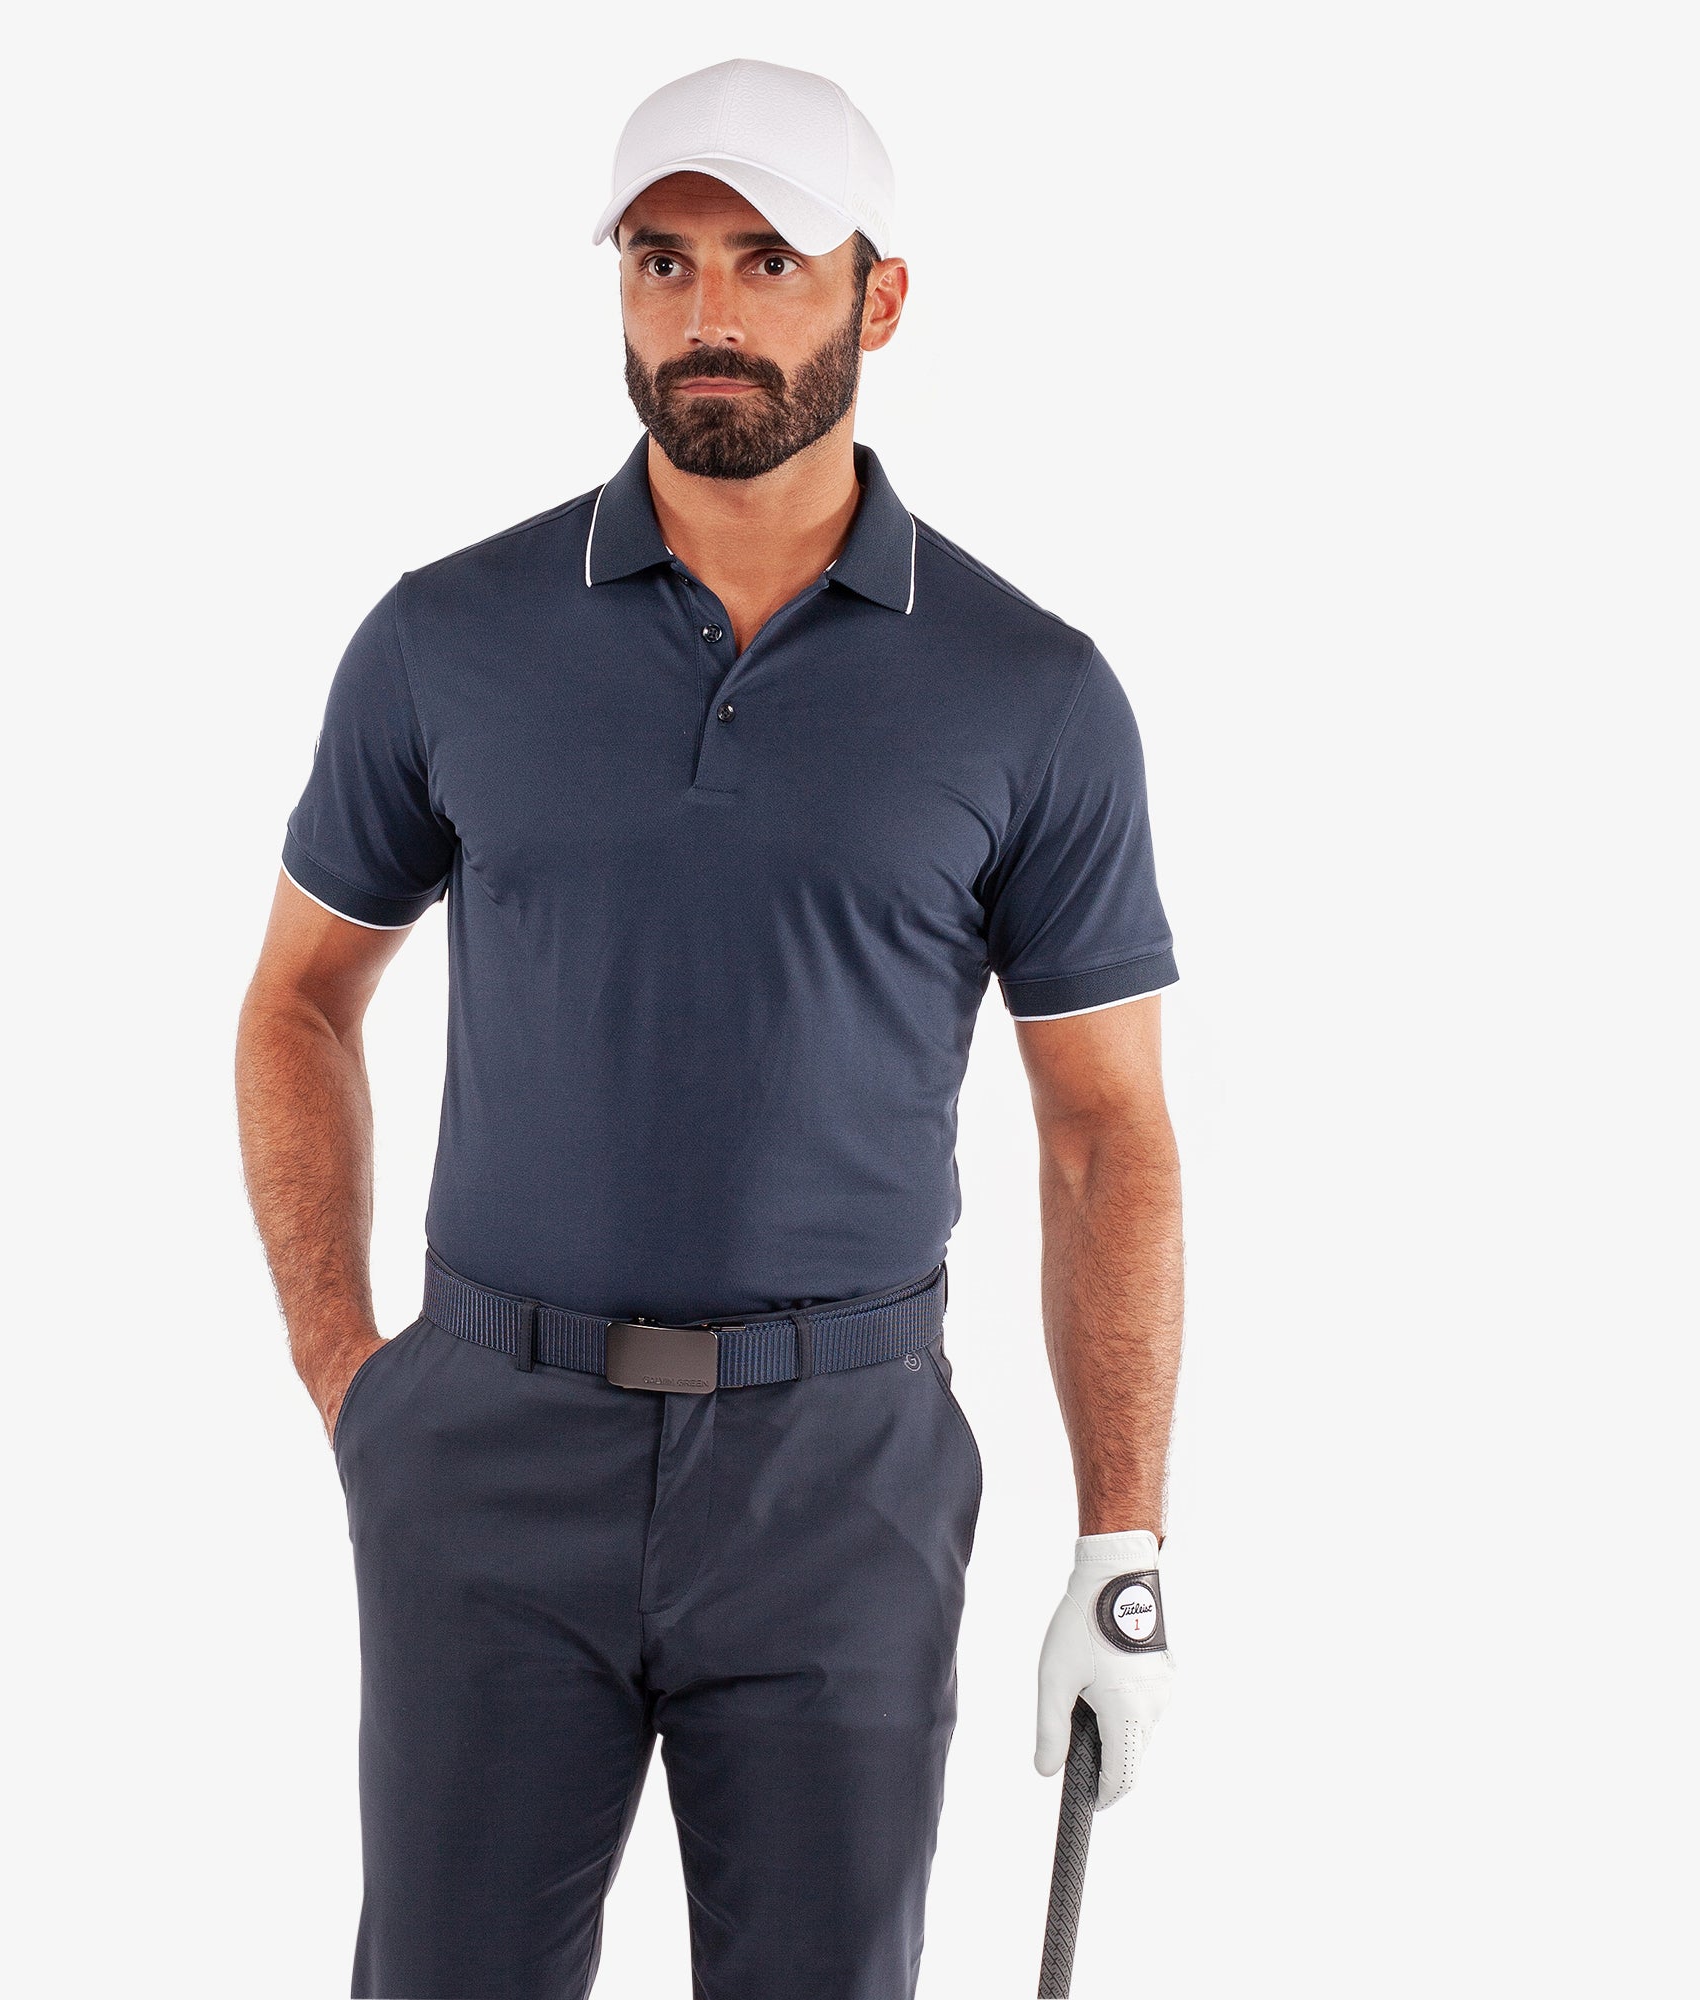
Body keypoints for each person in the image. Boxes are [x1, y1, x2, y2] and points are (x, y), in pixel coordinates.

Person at [234, 56, 1182, 2000]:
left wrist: (1122, 1543)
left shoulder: (1032, 693)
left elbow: (1105, 1133)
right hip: (487, 1452)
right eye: (661, 261)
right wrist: (355, 1379)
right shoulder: (444, 638)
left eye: (767, 260)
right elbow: (299, 1000)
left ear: (879, 300)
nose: (708, 314)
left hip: (845, 1476)